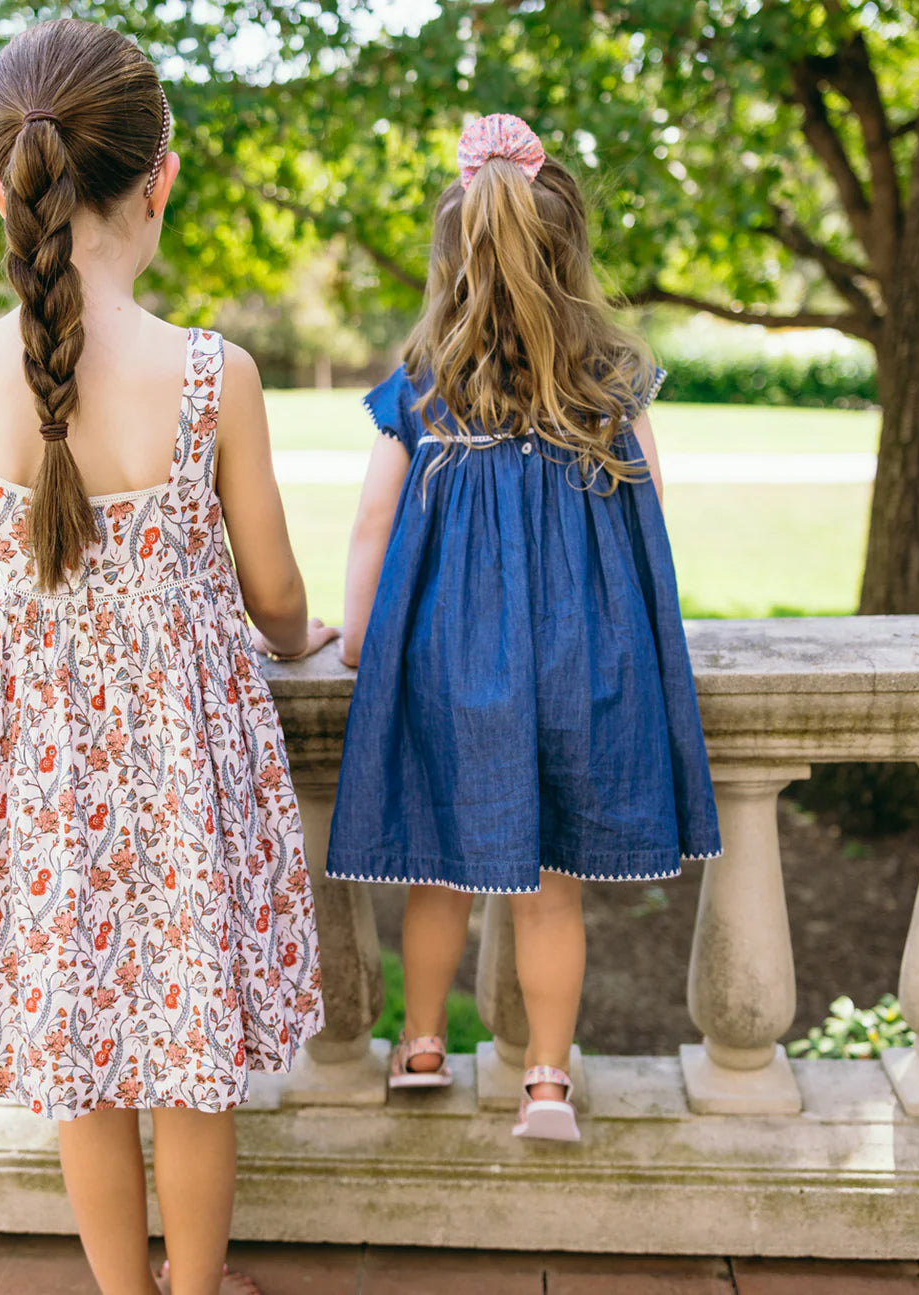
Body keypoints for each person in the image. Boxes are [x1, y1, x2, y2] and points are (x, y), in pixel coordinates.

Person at [0, 19, 333, 1294]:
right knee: (191, 1063)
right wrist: (301, 637)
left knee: (82, 1068)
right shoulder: (215, 374)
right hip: (179, 778)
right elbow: (274, 594)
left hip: (40, 782)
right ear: (162, 176)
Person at [325, 113, 721, 1142]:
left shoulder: (420, 391)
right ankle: (547, 1079)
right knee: (548, 891)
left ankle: (418, 1047)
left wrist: (360, 638)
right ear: (568, 255)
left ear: (451, 262)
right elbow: (653, 507)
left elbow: (373, 524)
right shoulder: (609, 385)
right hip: (578, 661)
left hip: (450, 665)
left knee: (439, 867)